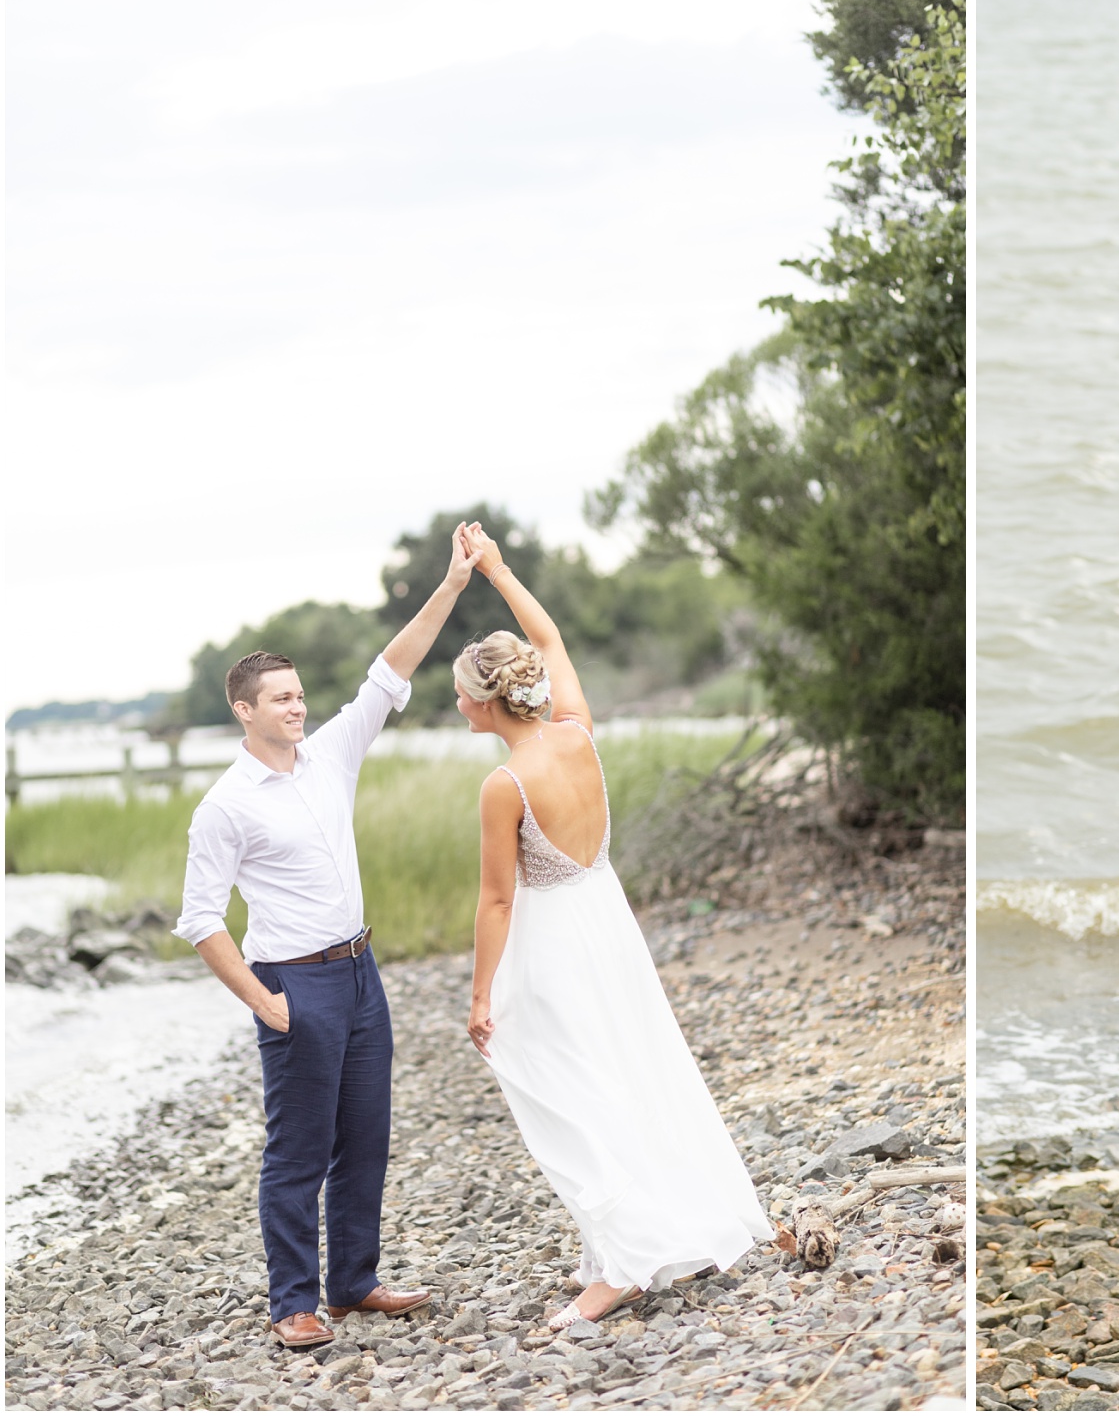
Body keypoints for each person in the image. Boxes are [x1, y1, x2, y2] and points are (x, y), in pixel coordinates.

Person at [174, 524, 483, 1347]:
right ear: (243, 710)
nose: (297, 705)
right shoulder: (226, 804)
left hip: (360, 973)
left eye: (300, 693)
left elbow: (392, 669)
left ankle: (352, 1282)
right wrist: (263, 1001)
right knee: (298, 1152)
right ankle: (294, 1303)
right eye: (280, 697)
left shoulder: (332, 754)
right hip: (293, 984)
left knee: (366, 1138)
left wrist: (451, 585)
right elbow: (201, 917)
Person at [454, 524, 770, 1330]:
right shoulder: (579, 734)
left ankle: (623, 1261)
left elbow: (496, 901)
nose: (455, 703)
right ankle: (621, 1241)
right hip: (609, 924)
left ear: (488, 702)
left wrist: (480, 993)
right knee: (618, 1071)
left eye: (460, 691)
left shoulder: (503, 782)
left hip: (553, 944)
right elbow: (549, 635)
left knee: (567, 1094)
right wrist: (496, 568)